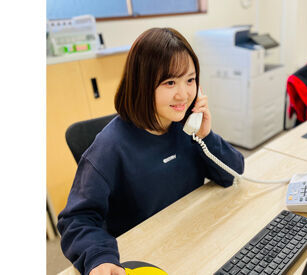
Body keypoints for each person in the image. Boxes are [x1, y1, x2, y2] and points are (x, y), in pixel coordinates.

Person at [57, 27, 245, 275]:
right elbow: (76, 220)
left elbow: (232, 173)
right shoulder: (109, 147)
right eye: (170, 82)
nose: (183, 94)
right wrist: (99, 257)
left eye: (190, 80)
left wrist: (205, 136)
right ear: (143, 85)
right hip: (145, 258)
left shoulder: (185, 126)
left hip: (193, 240)